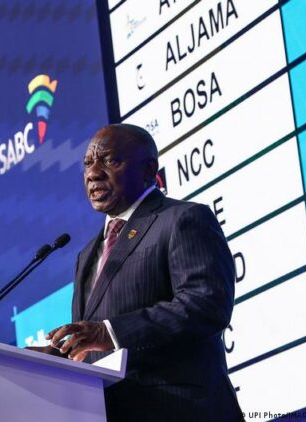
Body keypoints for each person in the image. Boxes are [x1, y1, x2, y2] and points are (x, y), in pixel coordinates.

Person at [33, 124, 243, 421]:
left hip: (181, 411)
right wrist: (58, 354)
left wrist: (110, 332)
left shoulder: (183, 219)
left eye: (110, 160)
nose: (93, 173)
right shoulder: (85, 255)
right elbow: (92, 343)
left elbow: (205, 306)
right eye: (88, 164)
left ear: (148, 170)